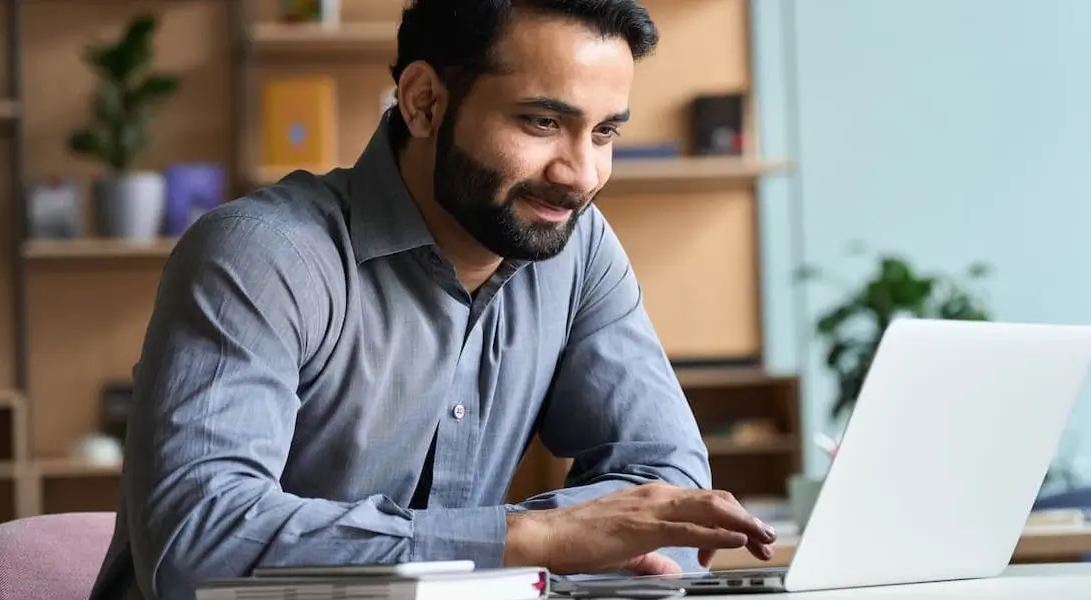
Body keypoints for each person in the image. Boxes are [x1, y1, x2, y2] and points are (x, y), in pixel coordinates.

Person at [88, 1, 776, 599]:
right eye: (541, 122)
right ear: (422, 102)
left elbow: (666, 480)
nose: (580, 175)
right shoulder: (261, 254)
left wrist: (549, 543)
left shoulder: (578, 247)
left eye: (604, 133)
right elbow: (199, 545)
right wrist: (531, 538)